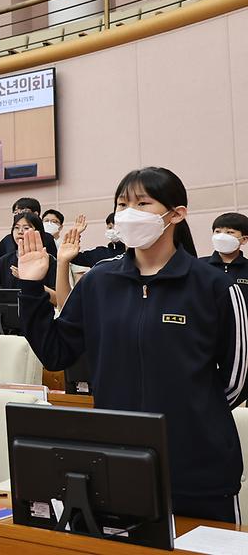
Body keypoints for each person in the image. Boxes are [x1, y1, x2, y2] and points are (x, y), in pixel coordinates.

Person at [17, 167, 247, 523]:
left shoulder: (213, 286)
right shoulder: (98, 282)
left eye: (142, 203)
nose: (128, 214)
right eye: (122, 204)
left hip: (199, 467)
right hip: (118, 460)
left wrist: (191, 411)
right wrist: (32, 289)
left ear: (176, 214)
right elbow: (56, 352)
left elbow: (237, 379)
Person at [0, 212, 57, 299]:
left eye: (26, 228)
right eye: (16, 228)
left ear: (38, 232)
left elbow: (58, 300)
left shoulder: (48, 260)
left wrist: (30, 281)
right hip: (10, 311)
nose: (20, 231)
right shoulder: (5, 260)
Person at [0, 197, 58, 270]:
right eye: (16, 213)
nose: (20, 216)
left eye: (24, 211)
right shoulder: (7, 240)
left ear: (36, 214)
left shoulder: (47, 238)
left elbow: (54, 267)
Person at [202, 212, 248, 298]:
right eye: (218, 231)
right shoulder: (199, 265)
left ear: (244, 239)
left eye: (230, 232)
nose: (222, 237)